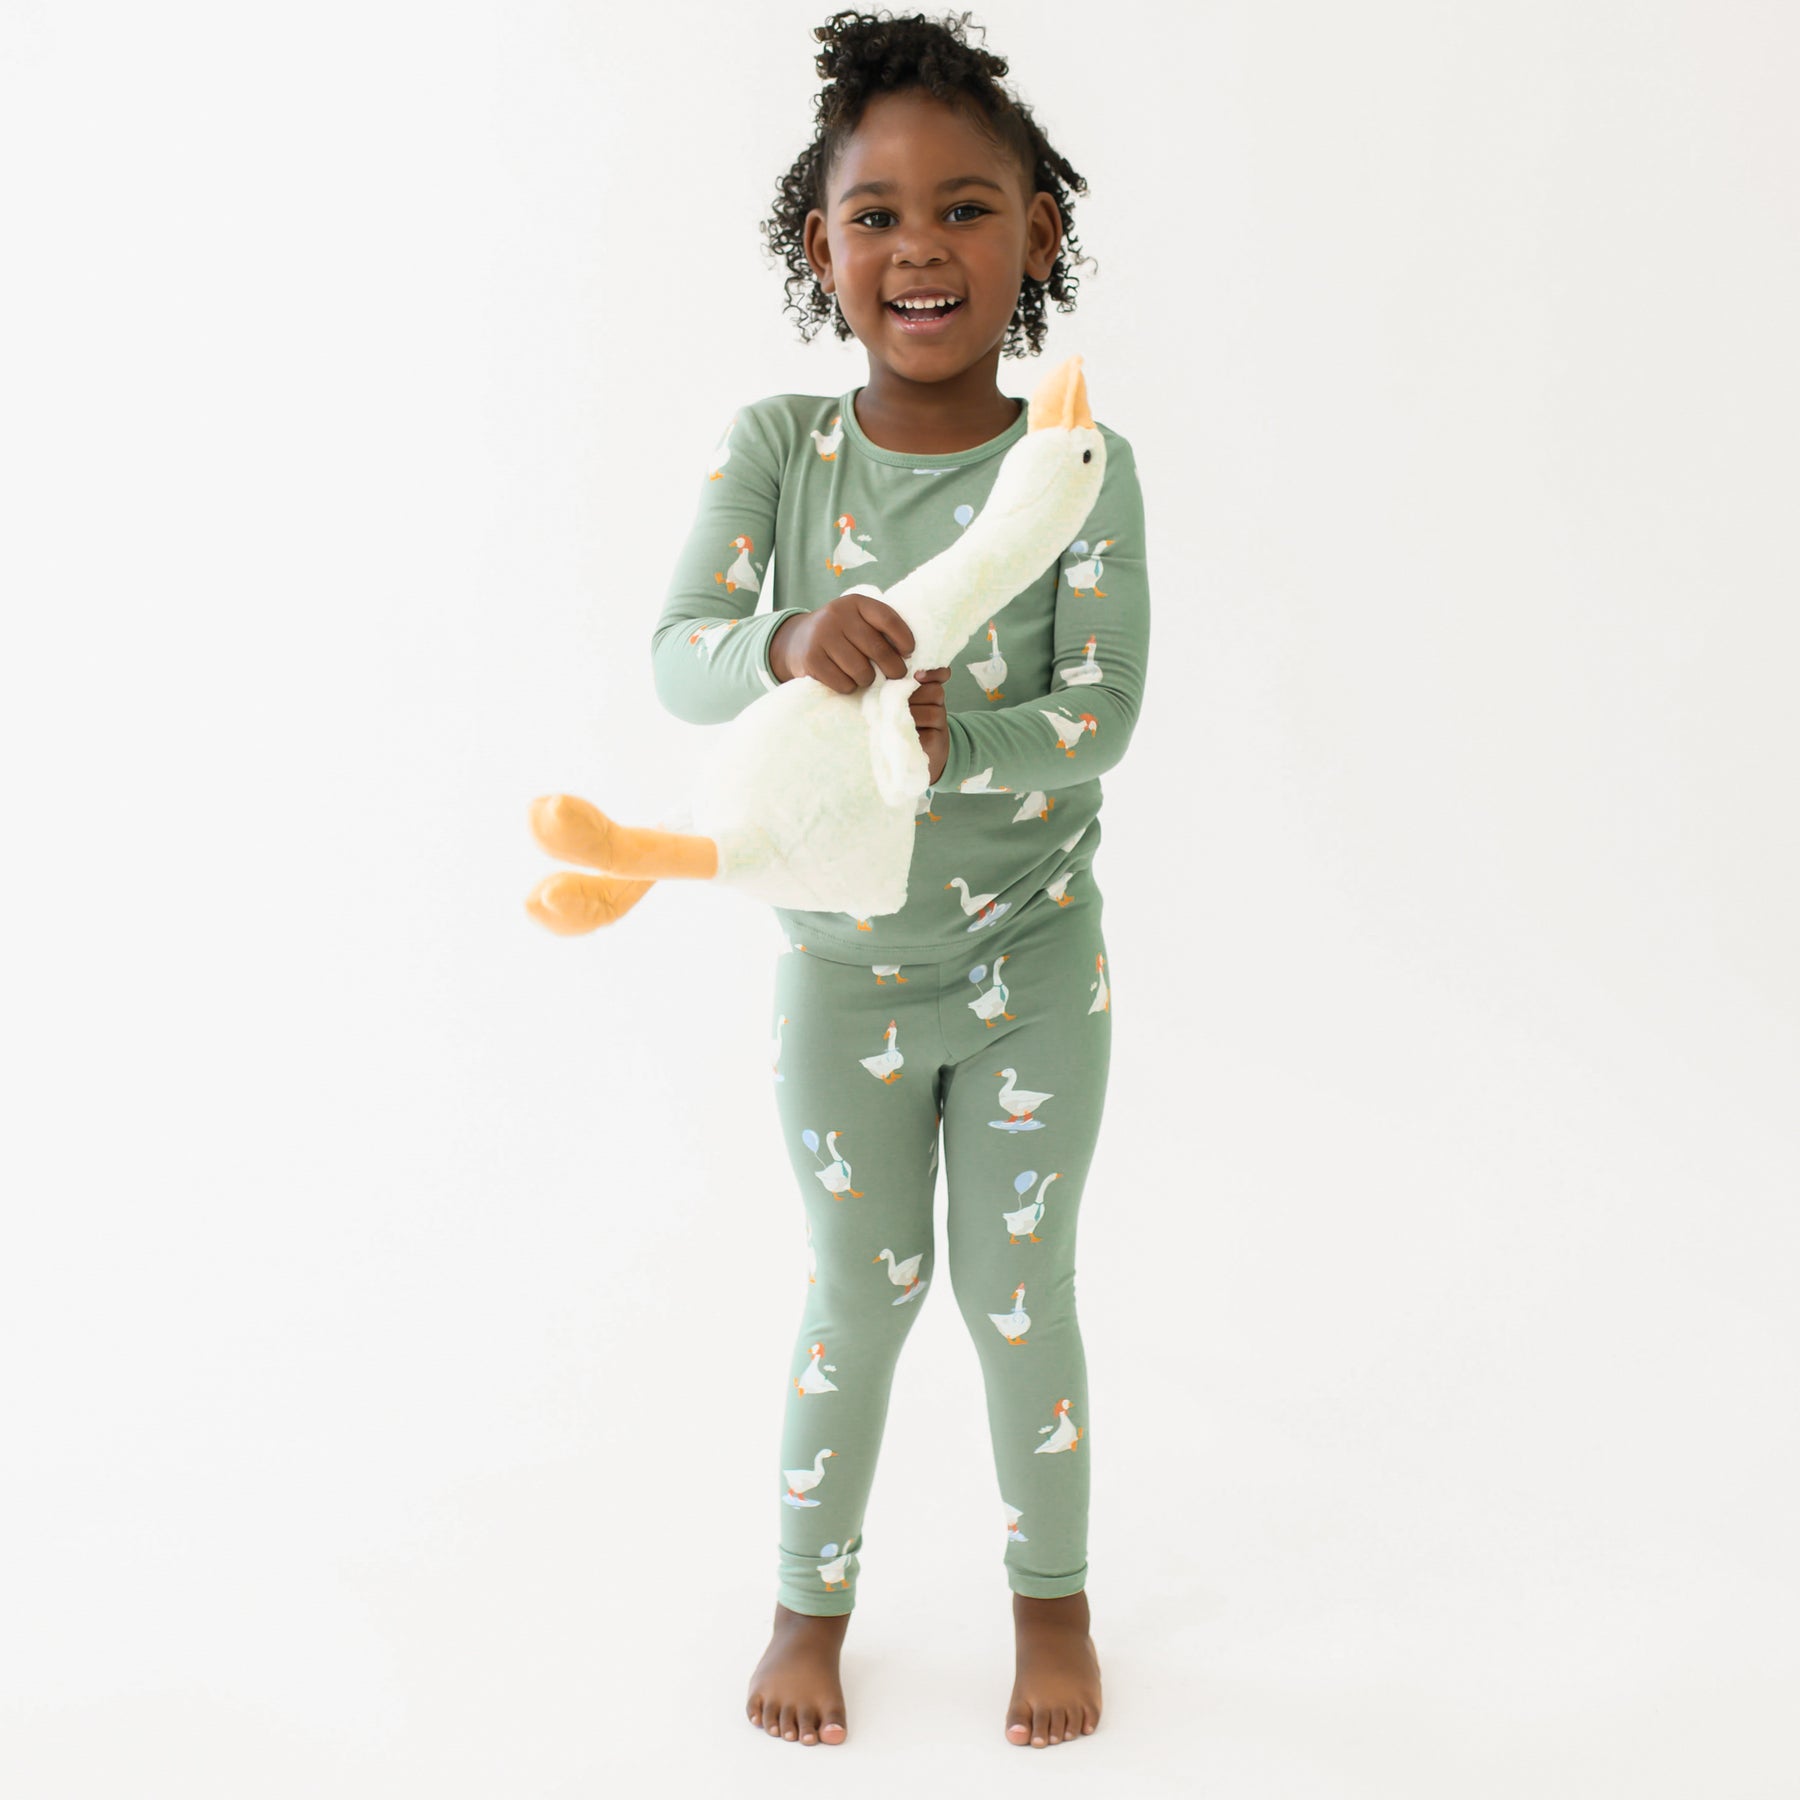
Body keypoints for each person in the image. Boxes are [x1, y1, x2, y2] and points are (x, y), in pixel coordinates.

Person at [649, 7, 1151, 1752]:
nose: (919, 248)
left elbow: (1103, 713)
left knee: (1021, 1298)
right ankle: (810, 1606)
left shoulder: (1077, 470)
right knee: (855, 1295)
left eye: (966, 208)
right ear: (822, 248)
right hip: (841, 972)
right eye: (877, 215)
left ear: (1038, 233)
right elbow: (683, 654)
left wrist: (964, 740)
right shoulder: (779, 451)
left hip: (1033, 966)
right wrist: (791, 640)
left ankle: (1053, 1604)